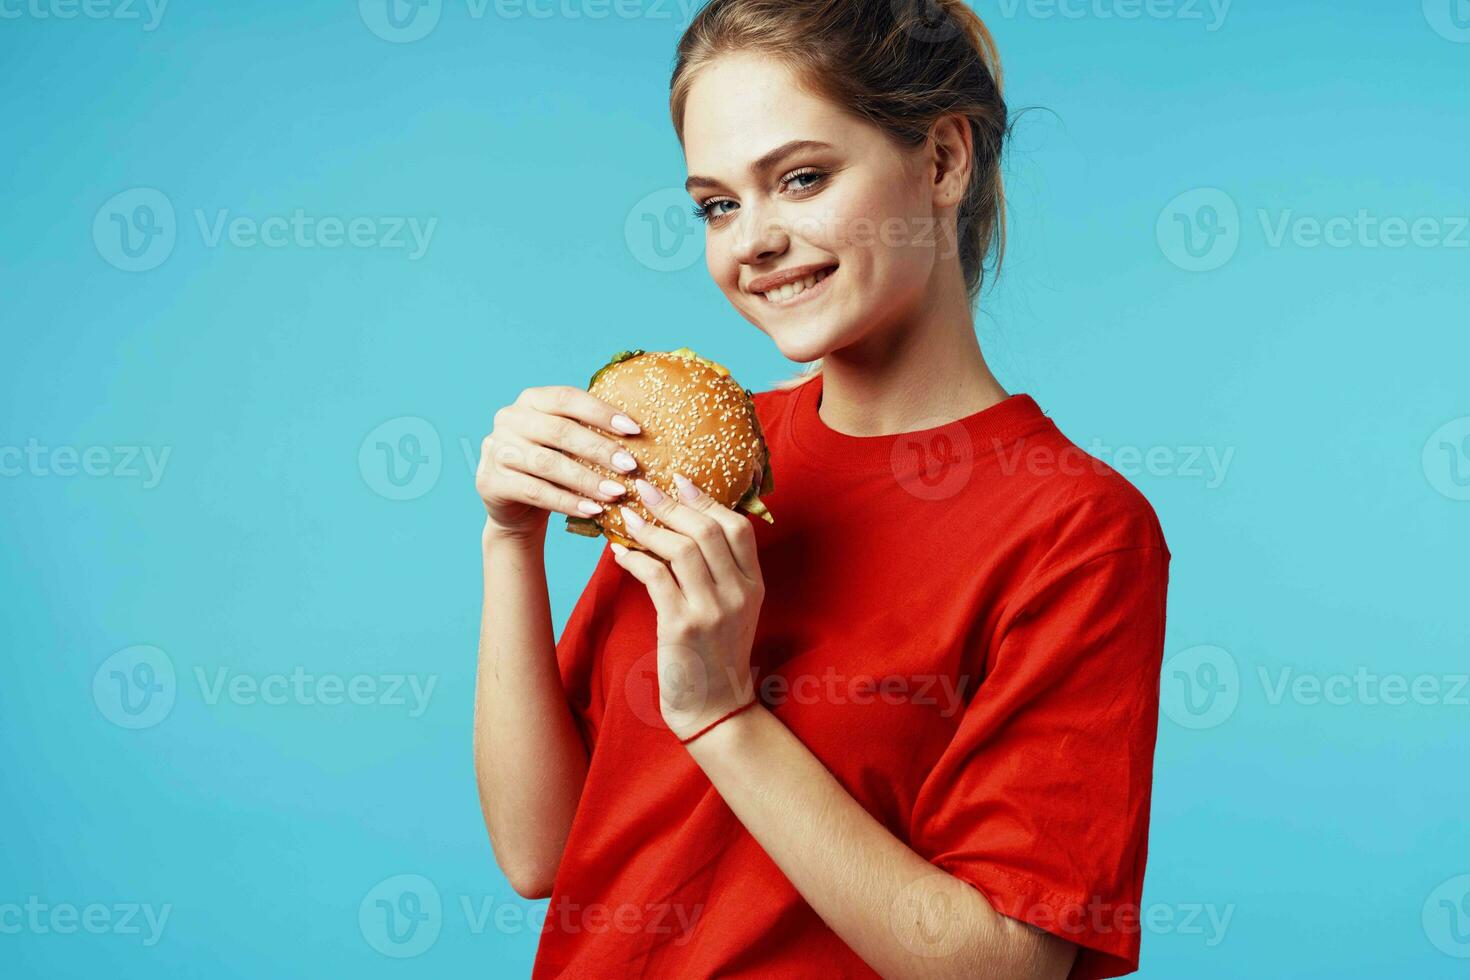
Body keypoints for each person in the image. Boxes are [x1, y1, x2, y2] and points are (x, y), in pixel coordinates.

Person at [472, 1, 1171, 977]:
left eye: (800, 178)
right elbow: (538, 851)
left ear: (942, 162)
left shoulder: (1076, 529)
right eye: (717, 204)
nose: (751, 240)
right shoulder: (706, 455)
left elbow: (1005, 965)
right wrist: (511, 541)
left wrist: (722, 714)